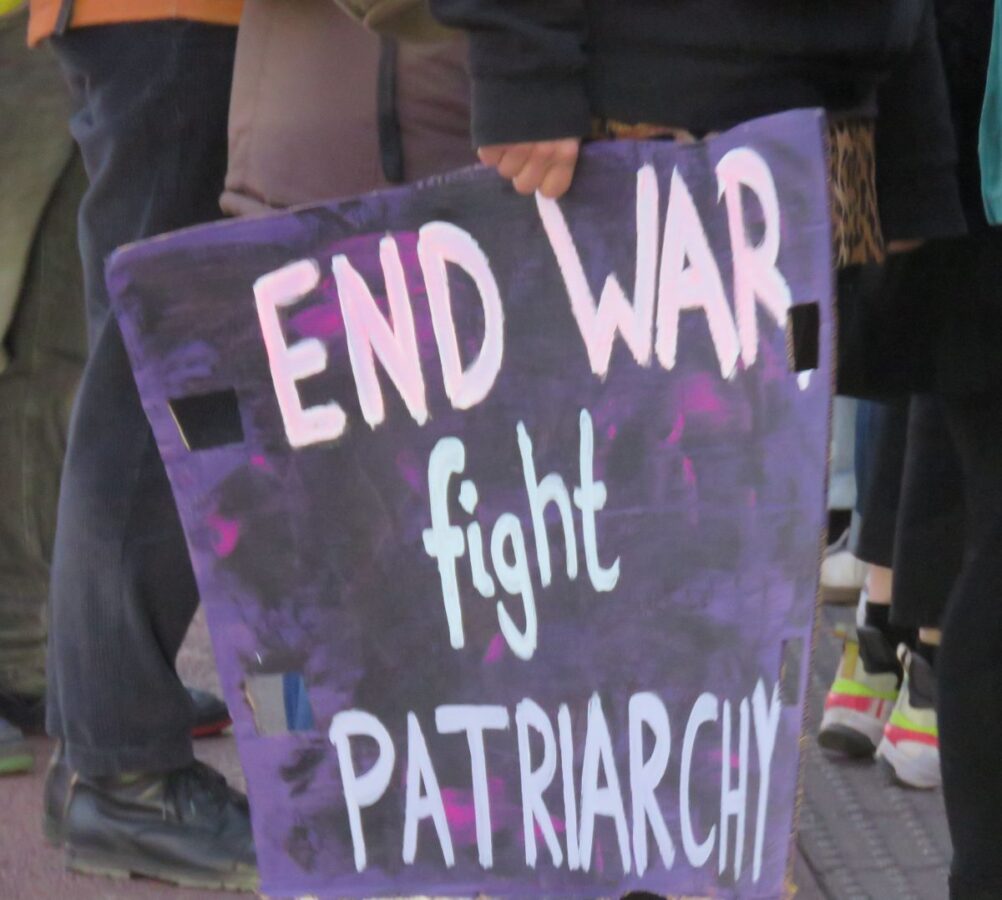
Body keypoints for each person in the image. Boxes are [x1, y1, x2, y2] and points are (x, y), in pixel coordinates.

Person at [26, 0, 255, 889]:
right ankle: (126, 775)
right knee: (157, 367)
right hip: (178, 21)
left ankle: (100, 740)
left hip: (144, 22)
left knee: (141, 355)